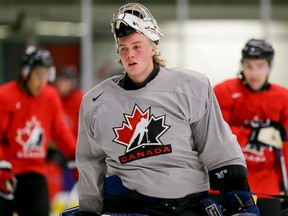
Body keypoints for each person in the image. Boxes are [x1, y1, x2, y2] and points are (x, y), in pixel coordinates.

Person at [62, 3, 260, 216]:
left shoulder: (191, 87)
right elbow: (90, 163)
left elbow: (216, 145)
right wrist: (90, 209)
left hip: (186, 205)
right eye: (123, 48)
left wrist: (237, 193)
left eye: (137, 46)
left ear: (153, 46)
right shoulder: (96, 102)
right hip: (127, 205)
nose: (130, 54)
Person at [213, 38, 288, 216]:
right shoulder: (225, 91)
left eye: (260, 66)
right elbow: (215, 132)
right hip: (228, 182)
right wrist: (252, 134)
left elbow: (285, 146)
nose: (254, 73)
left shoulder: (283, 98)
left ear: (269, 66)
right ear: (242, 65)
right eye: (249, 66)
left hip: (266, 184)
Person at [0, 46, 77, 216]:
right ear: (25, 73)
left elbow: (60, 131)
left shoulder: (50, 96)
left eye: (46, 75)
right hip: (7, 172)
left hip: (34, 172)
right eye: (38, 75)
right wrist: (1, 166)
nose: (42, 81)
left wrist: (75, 156)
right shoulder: (5, 96)